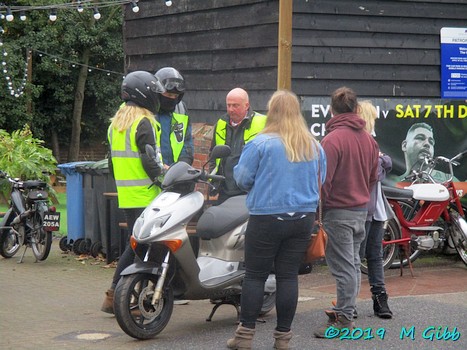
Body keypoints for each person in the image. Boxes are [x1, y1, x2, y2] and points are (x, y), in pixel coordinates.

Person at [227, 90, 326, 350]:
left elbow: (242, 179)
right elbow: (321, 181)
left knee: (255, 276)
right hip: (302, 218)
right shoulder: (314, 145)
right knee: (288, 277)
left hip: (266, 217)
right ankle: (283, 339)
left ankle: (245, 336)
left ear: (272, 112)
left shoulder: (260, 143)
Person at [101, 68, 194, 313]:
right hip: (148, 193)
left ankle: (117, 296)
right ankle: (132, 294)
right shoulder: (144, 122)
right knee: (146, 247)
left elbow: (113, 163)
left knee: (136, 246)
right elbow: (150, 161)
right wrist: (165, 178)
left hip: (128, 195)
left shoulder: (116, 124)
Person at [314, 87, 378, 338]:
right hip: (361, 210)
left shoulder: (332, 140)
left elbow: (323, 183)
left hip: (338, 211)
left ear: (332, 110)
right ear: (355, 109)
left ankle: (343, 319)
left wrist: (317, 211)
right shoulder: (369, 140)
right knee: (351, 264)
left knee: (343, 267)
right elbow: (373, 177)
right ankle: (346, 310)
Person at [358, 100, 393, 319]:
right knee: (360, 256)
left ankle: (380, 300)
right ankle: (352, 303)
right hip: (364, 209)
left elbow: (382, 166)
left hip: (376, 209)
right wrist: (383, 160)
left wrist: (383, 160)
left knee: (374, 256)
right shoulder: (365, 143)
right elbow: (378, 172)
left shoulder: (370, 142)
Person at [208, 87, 267, 204]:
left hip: (250, 191)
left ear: (247, 105)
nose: (231, 109)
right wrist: (213, 184)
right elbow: (213, 156)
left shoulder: (263, 123)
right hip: (225, 190)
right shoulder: (221, 123)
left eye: (235, 105)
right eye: (228, 105)